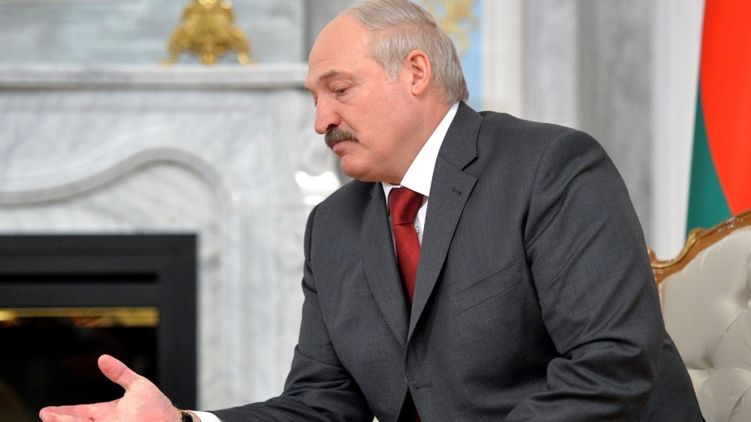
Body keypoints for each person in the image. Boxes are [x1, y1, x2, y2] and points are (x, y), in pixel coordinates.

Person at [40, 0, 703, 421]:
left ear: (414, 72)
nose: (320, 120)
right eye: (315, 98)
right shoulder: (333, 226)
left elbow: (610, 364)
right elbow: (325, 402)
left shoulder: (550, 167)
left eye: (339, 90)